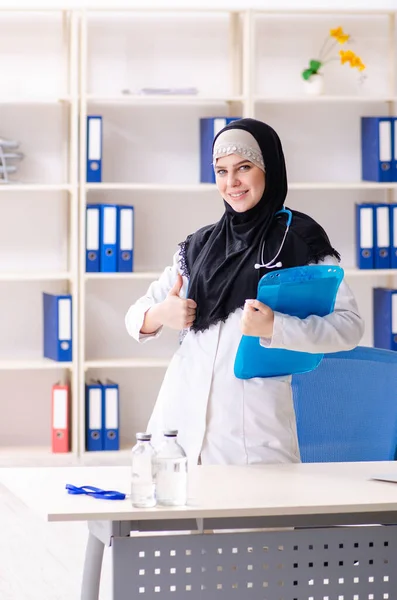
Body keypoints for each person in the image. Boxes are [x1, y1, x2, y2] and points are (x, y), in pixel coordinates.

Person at [125, 117, 364, 467]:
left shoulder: (298, 241)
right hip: (177, 431)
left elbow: (348, 327)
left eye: (244, 167)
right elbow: (136, 316)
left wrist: (275, 327)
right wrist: (161, 314)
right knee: (173, 518)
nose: (231, 182)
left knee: (255, 520)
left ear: (270, 168)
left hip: (252, 439)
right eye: (221, 171)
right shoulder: (200, 245)